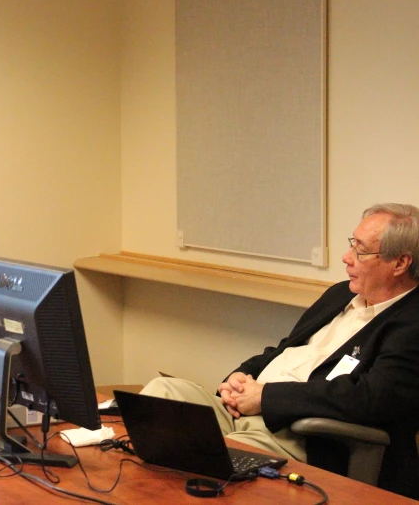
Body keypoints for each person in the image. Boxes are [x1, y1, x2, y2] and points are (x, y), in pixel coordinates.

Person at [141, 203, 419, 498]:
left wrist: (265, 397)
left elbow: (369, 398)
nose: (346, 258)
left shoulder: (411, 322)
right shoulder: (340, 293)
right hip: (252, 407)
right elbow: (285, 349)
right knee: (162, 393)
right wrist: (241, 376)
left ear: (399, 263)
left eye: (361, 251)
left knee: (213, 456)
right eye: (352, 244)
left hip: (301, 434)